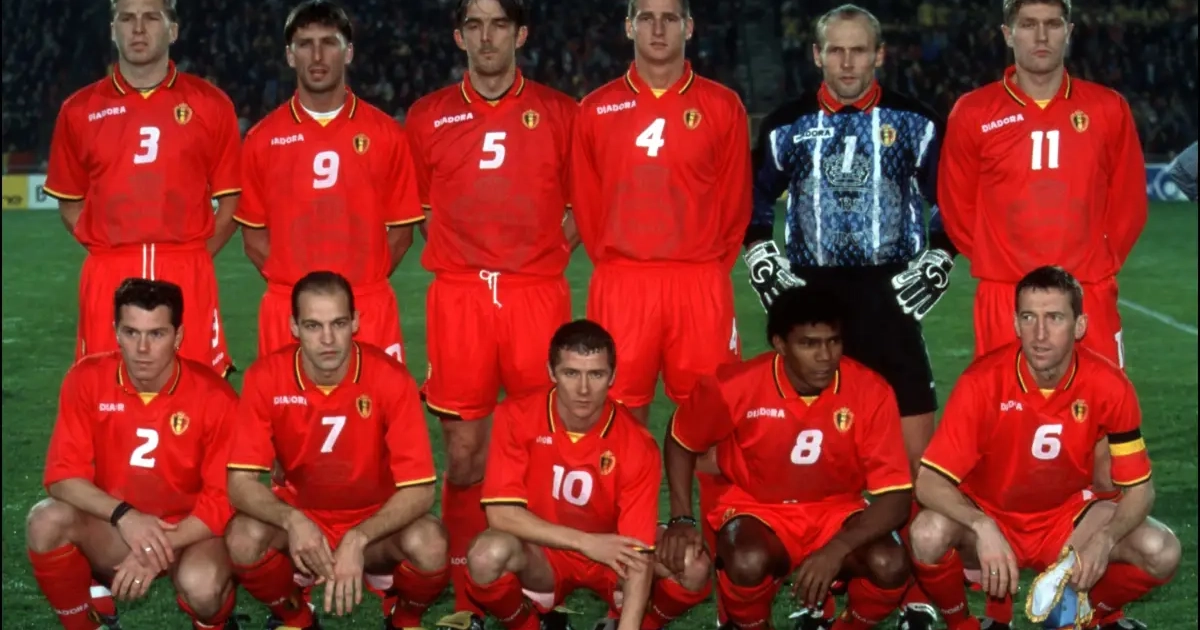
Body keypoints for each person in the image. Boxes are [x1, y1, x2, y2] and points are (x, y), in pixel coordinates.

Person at [937, 2, 1148, 621]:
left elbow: (1128, 201)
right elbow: (956, 206)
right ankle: (999, 606)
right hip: (1005, 296)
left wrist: (1091, 271)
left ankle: (1091, 608)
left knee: (1104, 442)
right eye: (1027, 24)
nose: (1040, 35)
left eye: (1053, 24)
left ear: (1069, 32)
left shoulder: (1106, 108)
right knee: (997, 441)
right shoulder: (974, 110)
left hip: (1089, 295)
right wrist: (1010, 272)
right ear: (1007, 33)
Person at [746, 6, 951, 624]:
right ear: (816, 55)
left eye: (859, 50)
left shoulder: (916, 122)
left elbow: (949, 200)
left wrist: (940, 254)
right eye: (835, 50)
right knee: (820, 455)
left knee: (914, 457)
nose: (847, 62)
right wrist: (759, 249)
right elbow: (754, 199)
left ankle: (915, 592)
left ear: (879, 54)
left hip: (891, 298)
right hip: (815, 301)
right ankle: (822, 591)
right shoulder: (787, 125)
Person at [403, 0, 577, 617]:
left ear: (519, 33)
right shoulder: (427, 116)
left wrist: (542, 258)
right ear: (459, 36)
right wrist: (467, 262)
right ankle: (467, 594)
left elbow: (583, 205)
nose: (486, 37)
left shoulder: (561, 113)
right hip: (461, 298)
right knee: (466, 452)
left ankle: (542, 582)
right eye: (474, 25)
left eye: (498, 24)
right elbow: (419, 209)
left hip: (536, 294)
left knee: (543, 441)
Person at [909, 266, 1181, 630]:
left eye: (1054, 318)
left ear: (1079, 326)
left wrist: (1106, 538)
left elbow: (1140, 490)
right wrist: (982, 525)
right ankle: (963, 624)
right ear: (1015, 323)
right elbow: (928, 482)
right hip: (992, 515)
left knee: (1161, 549)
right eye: (1028, 317)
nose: (1040, 334)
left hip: (1065, 521)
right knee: (927, 533)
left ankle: (1084, 613)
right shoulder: (981, 383)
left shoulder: (1110, 386)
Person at [663, 285, 915, 630]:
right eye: (809, 344)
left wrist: (838, 547)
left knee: (890, 563)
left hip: (837, 510)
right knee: (747, 559)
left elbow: (897, 497)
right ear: (780, 345)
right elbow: (681, 439)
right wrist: (681, 517)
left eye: (833, 341)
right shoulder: (735, 386)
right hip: (758, 507)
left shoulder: (871, 391)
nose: (825, 356)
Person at [225, 271, 448, 630]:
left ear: (356, 322)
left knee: (431, 544)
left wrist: (360, 537)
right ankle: (297, 619)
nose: (327, 339)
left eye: (338, 323)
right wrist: (292, 520)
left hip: (375, 524)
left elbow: (421, 490)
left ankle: (403, 619)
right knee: (242, 538)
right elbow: (239, 483)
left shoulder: (390, 378)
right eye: (313, 326)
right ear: (294, 327)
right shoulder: (265, 378)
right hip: (301, 517)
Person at [570, 0, 751, 426]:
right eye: (646, 18)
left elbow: (735, 204)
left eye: (669, 19)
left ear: (688, 27)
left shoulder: (723, 105)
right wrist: (621, 263)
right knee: (617, 422)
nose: (657, 29)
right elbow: (587, 204)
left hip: (699, 282)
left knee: (708, 424)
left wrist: (703, 266)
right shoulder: (594, 109)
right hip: (623, 284)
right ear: (628, 27)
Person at [464, 321, 711, 630]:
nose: (583, 389)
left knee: (692, 565)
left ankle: (635, 625)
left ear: (613, 376)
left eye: (596, 374)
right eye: (571, 373)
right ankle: (531, 626)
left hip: (612, 555)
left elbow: (637, 554)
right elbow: (501, 515)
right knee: (486, 555)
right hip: (544, 553)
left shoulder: (637, 443)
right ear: (551, 372)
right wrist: (586, 543)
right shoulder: (516, 416)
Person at [27, 278, 240, 630]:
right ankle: (87, 625)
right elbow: (62, 476)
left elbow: (222, 499)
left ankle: (217, 623)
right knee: (45, 520)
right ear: (116, 332)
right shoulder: (86, 379)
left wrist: (155, 548)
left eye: (156, 334)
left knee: (203, 588)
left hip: (191, 532)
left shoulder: (216, 397)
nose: (142, 348)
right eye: (131, 332)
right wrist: (125, 516)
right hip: (117, 529)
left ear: (178, 335)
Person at [43, 0, 240, 375]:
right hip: (109, 270)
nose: (138, 28)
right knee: (105, 386)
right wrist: (107, 248)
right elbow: (70, 202)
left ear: (173, 30)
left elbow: (232, 201)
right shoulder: (78, 110)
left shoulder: (211, 104)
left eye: (151, 17)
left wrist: (195, 256)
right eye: (126, 18)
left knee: (197, 387)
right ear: (112, 30)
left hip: (187, 267)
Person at [234, 0, 424, 362]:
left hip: (366, 306)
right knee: (285, 400)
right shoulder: (262, 139)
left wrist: (355, 290)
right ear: (290, 55)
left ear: (348, 52)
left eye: (329, 43)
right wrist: (304, 296)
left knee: (374, 399)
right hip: (288, 309)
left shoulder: (386, 134)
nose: (317, 56)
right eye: (305, 44)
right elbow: (254, 239)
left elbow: (401, 234)